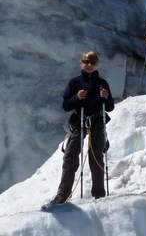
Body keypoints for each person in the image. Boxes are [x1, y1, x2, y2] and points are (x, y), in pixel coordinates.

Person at [45, 51, 115, 207]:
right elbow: (65, 105)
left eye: (92, 62)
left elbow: (110, 107)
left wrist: (107, 97)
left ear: (97, 65)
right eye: (86, 62)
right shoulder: (74, 83)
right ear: (81, 63)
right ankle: (62, 195)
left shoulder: (102, 84)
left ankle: (99, 194)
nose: (89, 65)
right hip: (80, 121)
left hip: (97, 121)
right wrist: (76, 98)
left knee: (95, 156)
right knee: (70, 156)